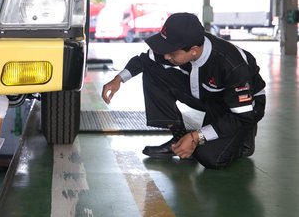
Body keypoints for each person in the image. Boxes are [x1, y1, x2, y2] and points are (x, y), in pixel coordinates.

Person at [101, 12, 266, 169]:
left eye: (171, 52)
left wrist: (196, 136)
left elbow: (242, 116)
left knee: (208, 157)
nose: (166, 56)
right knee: (153, 71)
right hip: (209, 95)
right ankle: (179, 138)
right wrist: (118, 79)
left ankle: (243, 140)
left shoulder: (232, 65)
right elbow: (144, 60)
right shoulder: (180, 47)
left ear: (193, 50)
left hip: (241, 108)